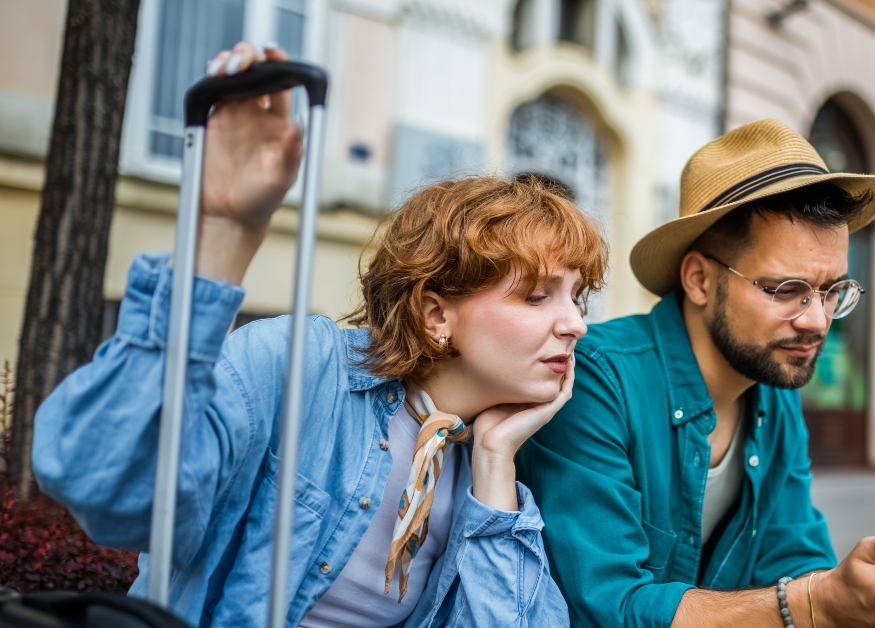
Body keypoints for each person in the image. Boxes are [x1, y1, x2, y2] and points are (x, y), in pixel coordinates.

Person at [33, 42, 605, 627]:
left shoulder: (493, 461)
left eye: (577, 296)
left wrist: (492, 461)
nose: (577, 324)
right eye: (538, 296)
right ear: (436, 315)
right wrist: (221, 234)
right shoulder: (302, 367)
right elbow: (105, 486)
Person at [515, 118, 875, 628]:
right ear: (699, 279)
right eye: (785, 288)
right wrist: (813, 604)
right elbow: (607, 607)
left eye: (833, 291)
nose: (816, 320)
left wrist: (865, 594)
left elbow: (792, 555)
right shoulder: (595, 381)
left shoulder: (773, 383)